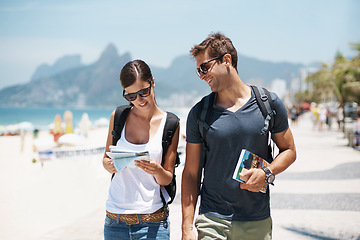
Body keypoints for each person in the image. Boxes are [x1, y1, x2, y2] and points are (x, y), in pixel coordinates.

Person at [181, 33, 296, 240]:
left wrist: (267, 173)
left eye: (204, 68)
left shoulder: (268, 103)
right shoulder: (199, 113)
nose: (201, 75)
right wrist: (187, 227)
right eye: (198, 71)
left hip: (257, 220)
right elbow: (191, 173)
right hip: (212, 219)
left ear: (226, 60)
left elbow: (289, 150)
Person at [102, 60, 180, 240]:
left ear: (153, 82)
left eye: (143, 92)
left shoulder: (170, 124)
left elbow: (167, 177)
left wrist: (157, 170)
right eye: (131, 96)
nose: (139, 100)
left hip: (153, 222)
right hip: (115, 221)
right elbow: (105, 160)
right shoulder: (118, 116)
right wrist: (110, 165)